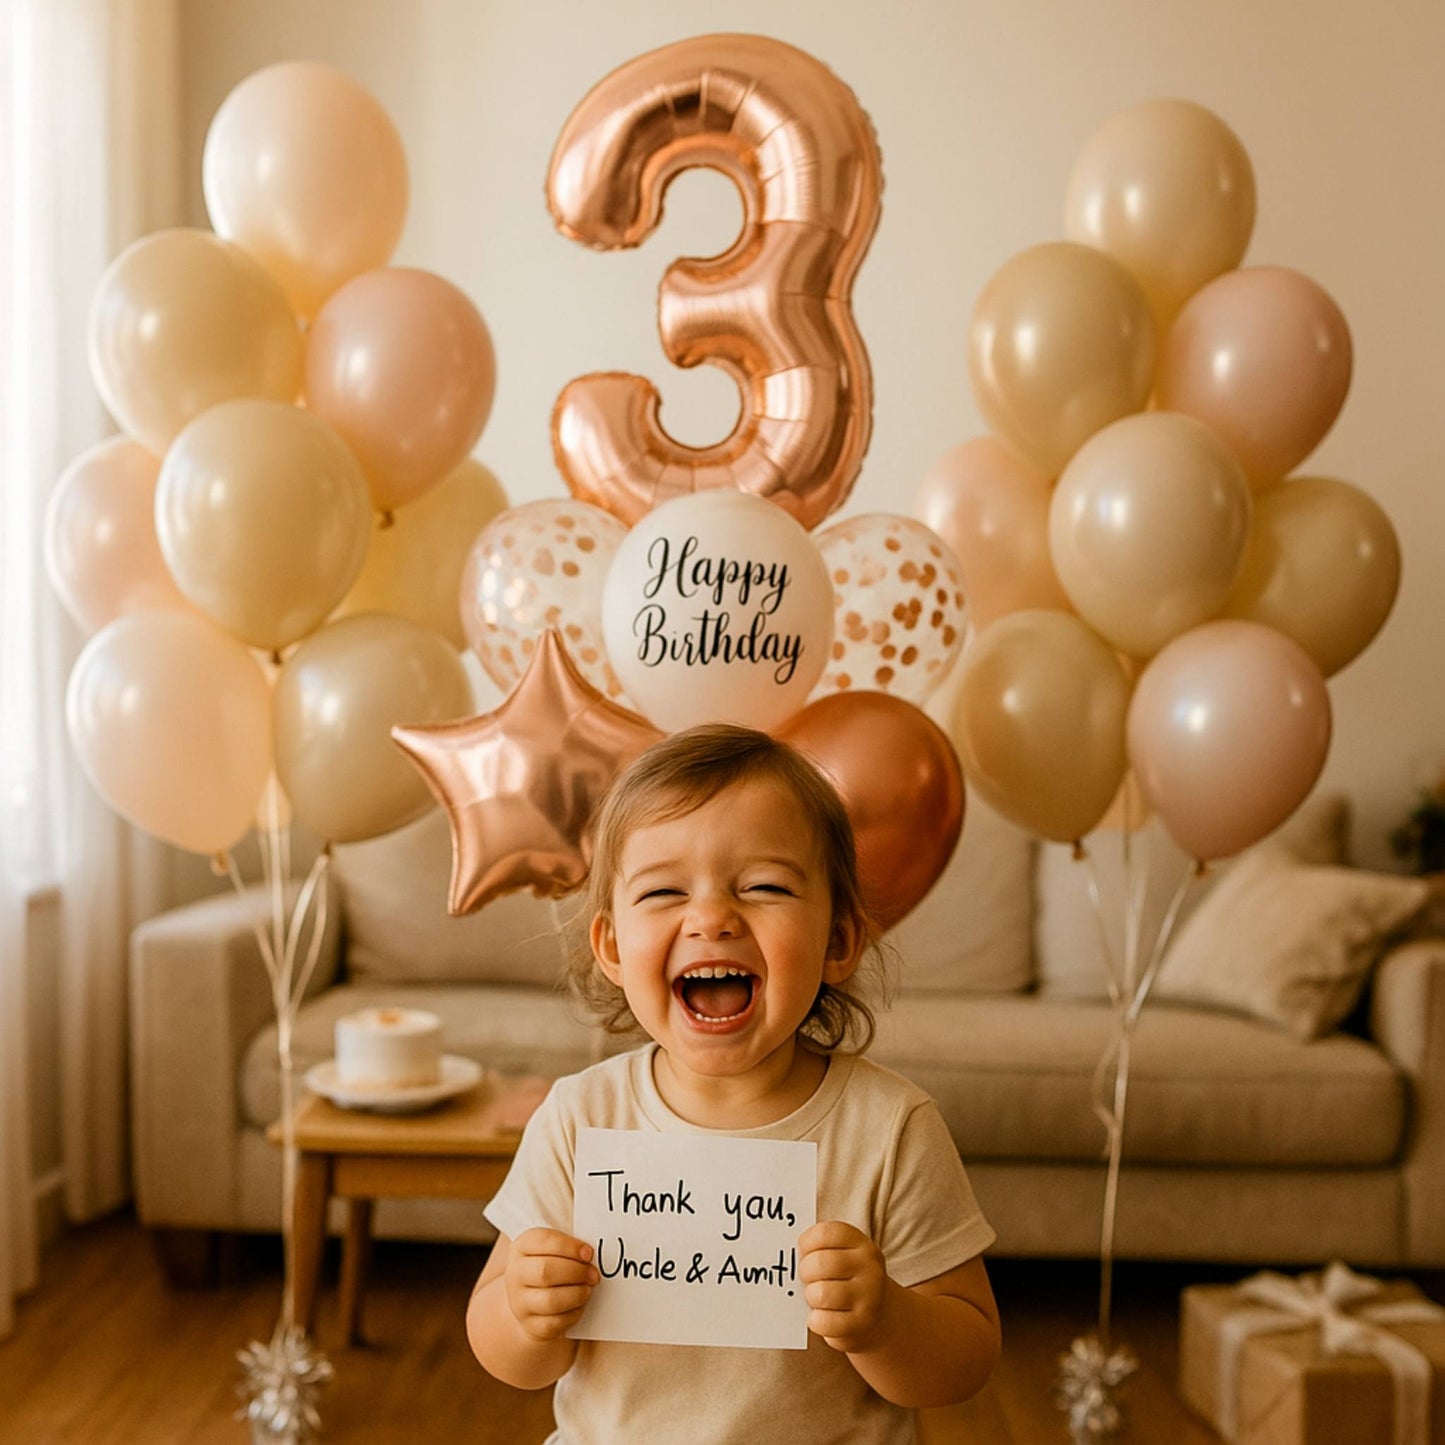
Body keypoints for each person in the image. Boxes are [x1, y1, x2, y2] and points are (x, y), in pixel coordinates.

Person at [466, 723, 1000, 1443]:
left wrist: (886, 1320)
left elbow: (964, 1359)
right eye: (663, 890)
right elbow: (504, 1350)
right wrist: (524, 1313)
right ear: (613, 946)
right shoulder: (579, 1117)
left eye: (764, 885)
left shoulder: (889, 1125)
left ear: (838, 940)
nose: (712, 917)